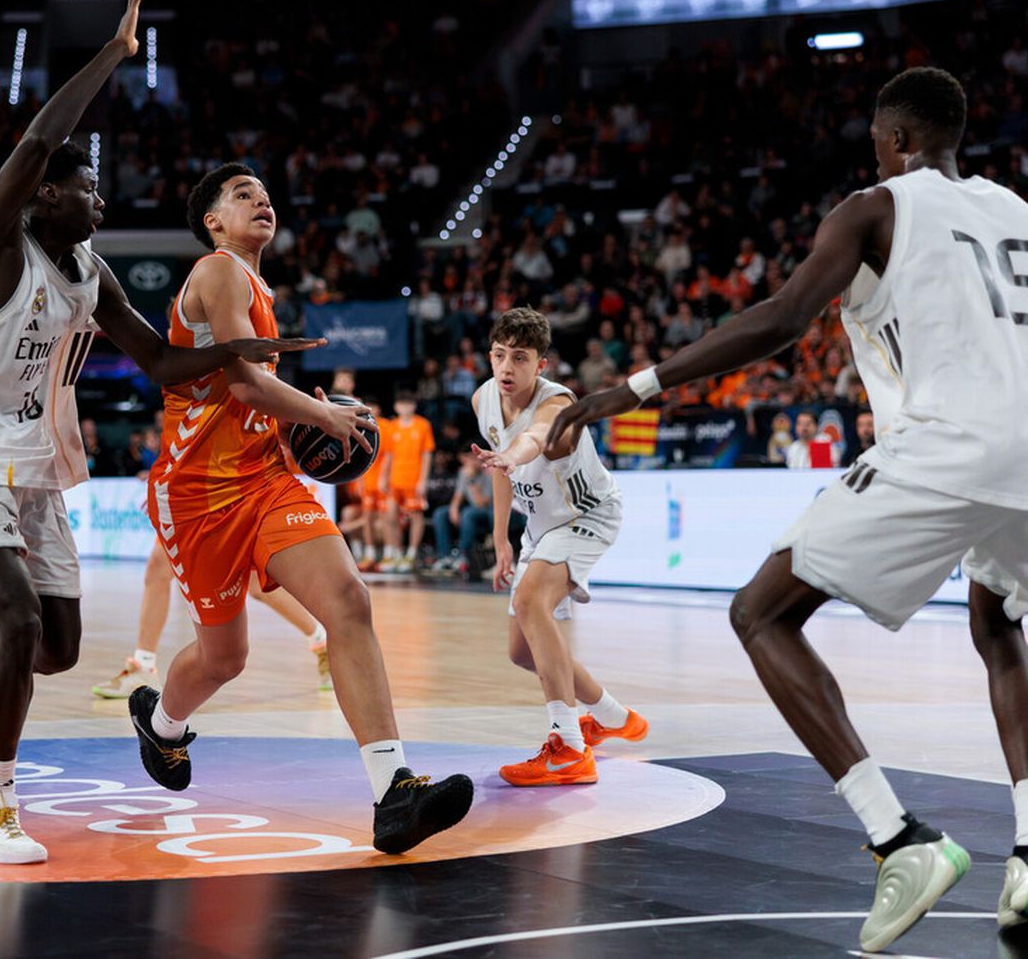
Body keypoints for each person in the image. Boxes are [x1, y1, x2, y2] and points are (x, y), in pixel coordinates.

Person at [547, 67, 1028, 952]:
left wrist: (634, 387)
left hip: (952, 441)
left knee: (761, 613)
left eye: (876, 142)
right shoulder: (1017, 210)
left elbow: (782, 318)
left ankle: (899, 838)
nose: (874, 155)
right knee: (998, 624)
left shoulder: (876, 206)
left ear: (895, 140)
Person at [0, 0, 315, 866]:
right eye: (86, 189)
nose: (100, 202)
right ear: (44, 193)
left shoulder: (90, 272)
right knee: (21, 620)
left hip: (34, 462)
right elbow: (36, 139)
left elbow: (161, 364)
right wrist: (114, 55)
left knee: (55, 647)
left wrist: (242, 354)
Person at [129, 162, 472, 856]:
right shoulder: (218, 271)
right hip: (197, 494)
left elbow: (251, 404)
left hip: (264, 477)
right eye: (242, 195)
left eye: (264, 193)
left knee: (348, 600)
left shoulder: (258, 286)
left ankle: (393, 792)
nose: (261, 200)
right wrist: (323, 415)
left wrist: (295, 431)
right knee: (225, 659)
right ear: (213, 222)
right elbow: (245, 384)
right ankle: (160, 724)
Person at [470, 308, 647, 787]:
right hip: (541, 528)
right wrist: (502, 537)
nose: (507, 367)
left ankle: (569, 748)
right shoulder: (484, 398)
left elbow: (531, 440)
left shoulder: (558, 404)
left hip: (587, 516)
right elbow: (500, 464)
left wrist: (510, 456)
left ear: (541, 365)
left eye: (520, 358)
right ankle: (613, 718)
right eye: (499, 355)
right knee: (523, 652)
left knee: (532, 603)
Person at [92, 539, 331, 699]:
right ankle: (143, 666)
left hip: (232, 491)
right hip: (190, 491)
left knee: (256, 585)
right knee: (158, 566)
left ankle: (322, 642)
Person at [381, 391, 434, 573]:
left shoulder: (423, 425)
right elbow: (388, 455)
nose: (405, 407)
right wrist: (383, 476)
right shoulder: (392, 426)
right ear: (396, 407)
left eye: (409, 403)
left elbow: (426, 454)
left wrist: (423, 480)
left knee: (416, 516)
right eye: (402, 404)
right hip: (395, 479)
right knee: (390, 516)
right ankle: (396, 553)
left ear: (414, 405)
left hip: (414, 479)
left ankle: (411, 554)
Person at [352, 398, 393, 571]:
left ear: (378, 408)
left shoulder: (385, 426)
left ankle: (388, 554)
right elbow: (357, 455)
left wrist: (384, 477)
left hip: (381, 482)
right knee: (367, 517)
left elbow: (390, 454)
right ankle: (369, 554)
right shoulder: (359, 425)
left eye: (373, 407)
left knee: (385, 518)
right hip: (368, 479)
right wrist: (359, 479)